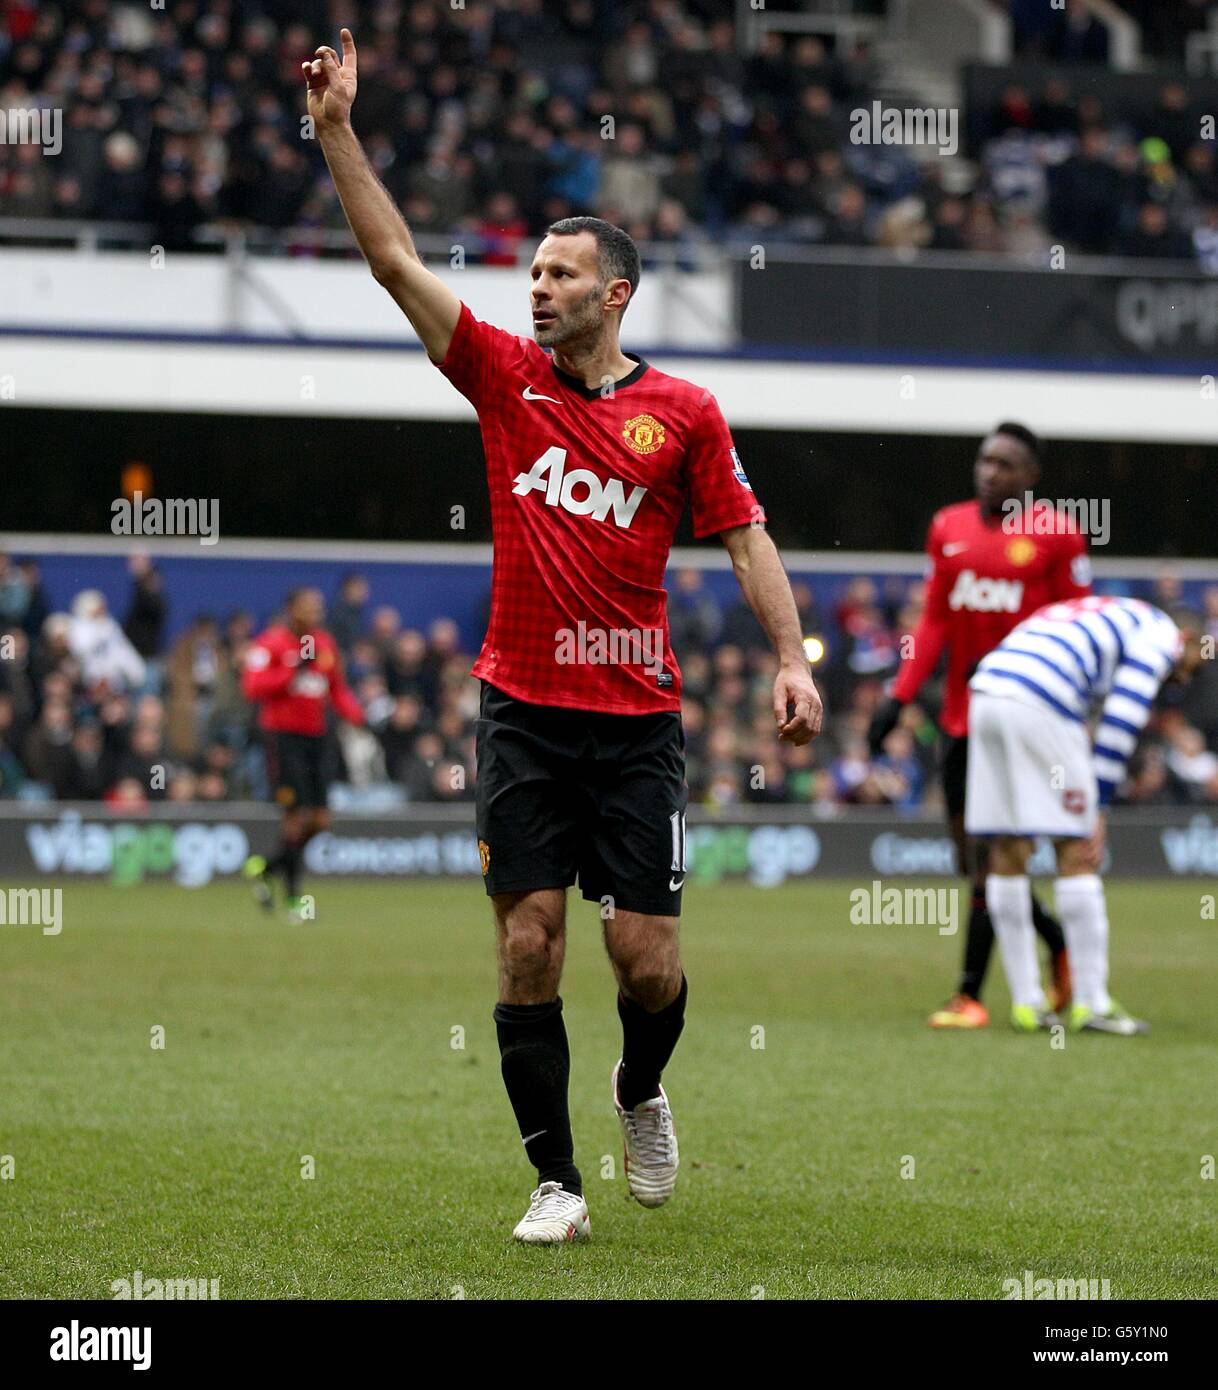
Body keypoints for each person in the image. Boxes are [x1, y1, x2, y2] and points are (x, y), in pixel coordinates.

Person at [305, 29, 824, 1243]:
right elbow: (390, 261)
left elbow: (746, 540)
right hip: (523, 713)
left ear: (615, 293)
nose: (535, 287)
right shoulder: (501, 378)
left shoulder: (684, 414)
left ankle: (639, 1088)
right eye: (531, 271)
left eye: (558, 273)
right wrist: (335, 129)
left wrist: (794, 658)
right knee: (529, 940)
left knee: (645, 962)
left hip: (638, 723)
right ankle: (557, 1182)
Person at [868, 424, 1091, 1028]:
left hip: (1024, 721)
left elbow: (1076, 626)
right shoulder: (949, 527)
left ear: (1030, 477)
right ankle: (1057, 940)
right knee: (971, 860)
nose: (989, 472)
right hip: (962, 721)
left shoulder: (1058, 535)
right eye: (984, 460)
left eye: (1005, 464)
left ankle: (970, 995)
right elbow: (935, 620)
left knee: (993, 857)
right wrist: (898, 697)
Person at [966, 597, 1202, 1033]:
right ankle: (1091, 1004)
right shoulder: (1159, 635)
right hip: (1043, 699)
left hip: (986, 692)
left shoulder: (1105, 610)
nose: (1178, 678)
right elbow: (1121, 717)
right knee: (1079, 848)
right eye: (1184, 667)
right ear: (1185, 639)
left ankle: (1028, 1004)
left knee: (1007, 846)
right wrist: (1100, 805)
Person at [240, 587, 364, 923]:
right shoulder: (270, 644)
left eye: (318, 606)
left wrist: (358, 717)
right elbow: (253, 687)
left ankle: (267, 868)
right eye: (308, 607)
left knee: (321, 821)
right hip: (283, 739)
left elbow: (336, 688)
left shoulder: (325, 644)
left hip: (317, 738)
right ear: (291, 610)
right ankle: (295, 900)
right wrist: (293, 670)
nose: (315, 612)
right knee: (295, 819)